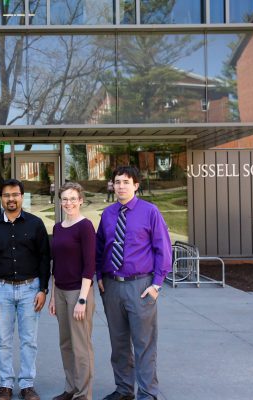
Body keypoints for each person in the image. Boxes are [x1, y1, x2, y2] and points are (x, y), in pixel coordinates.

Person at [96, 166, 172, 400]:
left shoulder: (150, 211)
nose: (121, 186)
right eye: (117, 182)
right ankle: (124, 389)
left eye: (126, 182)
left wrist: (156, 284)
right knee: (118, 344)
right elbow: (100, 249)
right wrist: (99, 276)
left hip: (141, 286)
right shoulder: (107, 214)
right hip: (112, 286)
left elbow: (163, 249)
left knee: (144, 344)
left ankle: (148, 393)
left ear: (136, 185)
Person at [0, 179, 51, 400]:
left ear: (22, 196)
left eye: (15, 194)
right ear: (0, 198)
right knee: (3, 340)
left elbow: (44, 258)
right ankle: (6, 384)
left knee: (29, 340)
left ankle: (27, 384)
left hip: (30, 289)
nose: (11, 199)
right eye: (6, 195)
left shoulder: (35, 224)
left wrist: (43, 289)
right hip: (0, 290)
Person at [49, 182, 96, 400]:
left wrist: (83, 300)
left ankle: (83, 394)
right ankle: (71, 388)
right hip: (60, 291)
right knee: (66, 343)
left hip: (79, 292)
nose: (68, 203)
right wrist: (52, 296)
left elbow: (89, 265)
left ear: (81, 201)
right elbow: (56, 264)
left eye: (73, 198)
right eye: (65, 199)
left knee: (81, 346)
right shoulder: (58, 227)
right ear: (60, 202)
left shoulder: (85, 226)